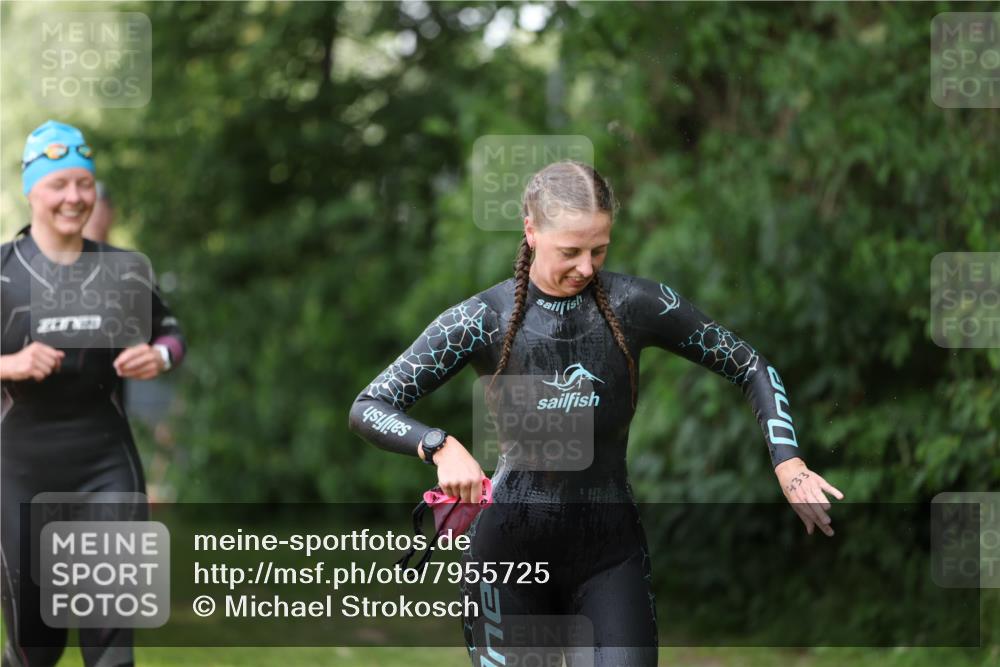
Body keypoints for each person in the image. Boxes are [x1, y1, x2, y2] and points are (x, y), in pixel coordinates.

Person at [349, 160, 843, 666]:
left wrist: (788, 462)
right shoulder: (482, 319)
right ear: (531, 231)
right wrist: (439, 446)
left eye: (598, 249)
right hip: (506, 562)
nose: (586, 268)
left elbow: (751, 365)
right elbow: (369, 405)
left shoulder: (637, 304)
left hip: (609, 559)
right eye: (570, 251)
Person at [0, 120, 186, 667]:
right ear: (31, 189)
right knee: (36, 650)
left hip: (105, 471)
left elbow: (171, 333)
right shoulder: (3, 272)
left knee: (110, 651)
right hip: (18, 476)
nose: (74, 197)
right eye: (58, 183)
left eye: (83, 183)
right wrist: (10, 364)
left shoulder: (123, 271)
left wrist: (159, 357)